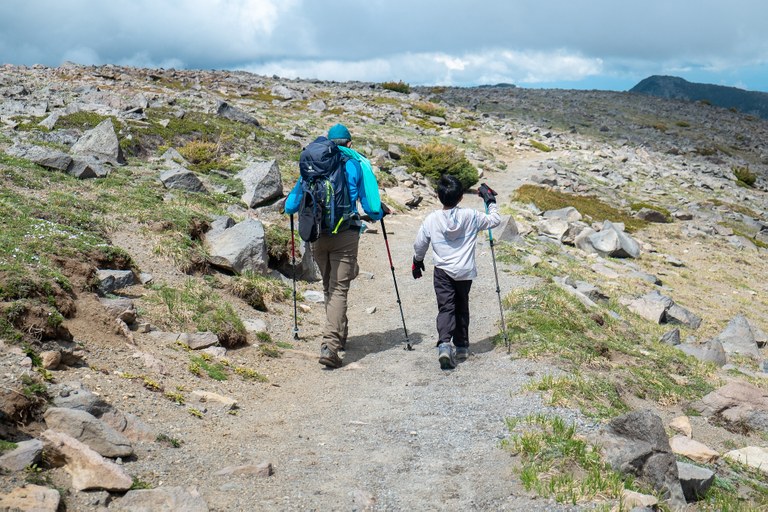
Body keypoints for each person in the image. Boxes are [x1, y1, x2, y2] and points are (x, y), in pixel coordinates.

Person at [284, 124, 383, 368]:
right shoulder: (355, 163)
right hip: (345, 234)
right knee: (339, 288)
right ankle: (329, 345)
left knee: (330, 287)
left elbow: (290, 205)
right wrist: (379, 213)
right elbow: (371, 206)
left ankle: (340, 333)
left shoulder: (313, 164)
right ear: (349, 143)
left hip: (317, 235)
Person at [412, 175, 500, 369]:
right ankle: (461, 346)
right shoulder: (471, 216)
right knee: (462, 305)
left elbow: (420, 244)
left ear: (437, 196)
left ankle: (444, 344)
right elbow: (494, 220)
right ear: (461, 197)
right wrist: (490, 200)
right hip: (465, 271)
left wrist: (417, 261)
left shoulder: (432, 219)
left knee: (446, 307)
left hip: (442, 271)